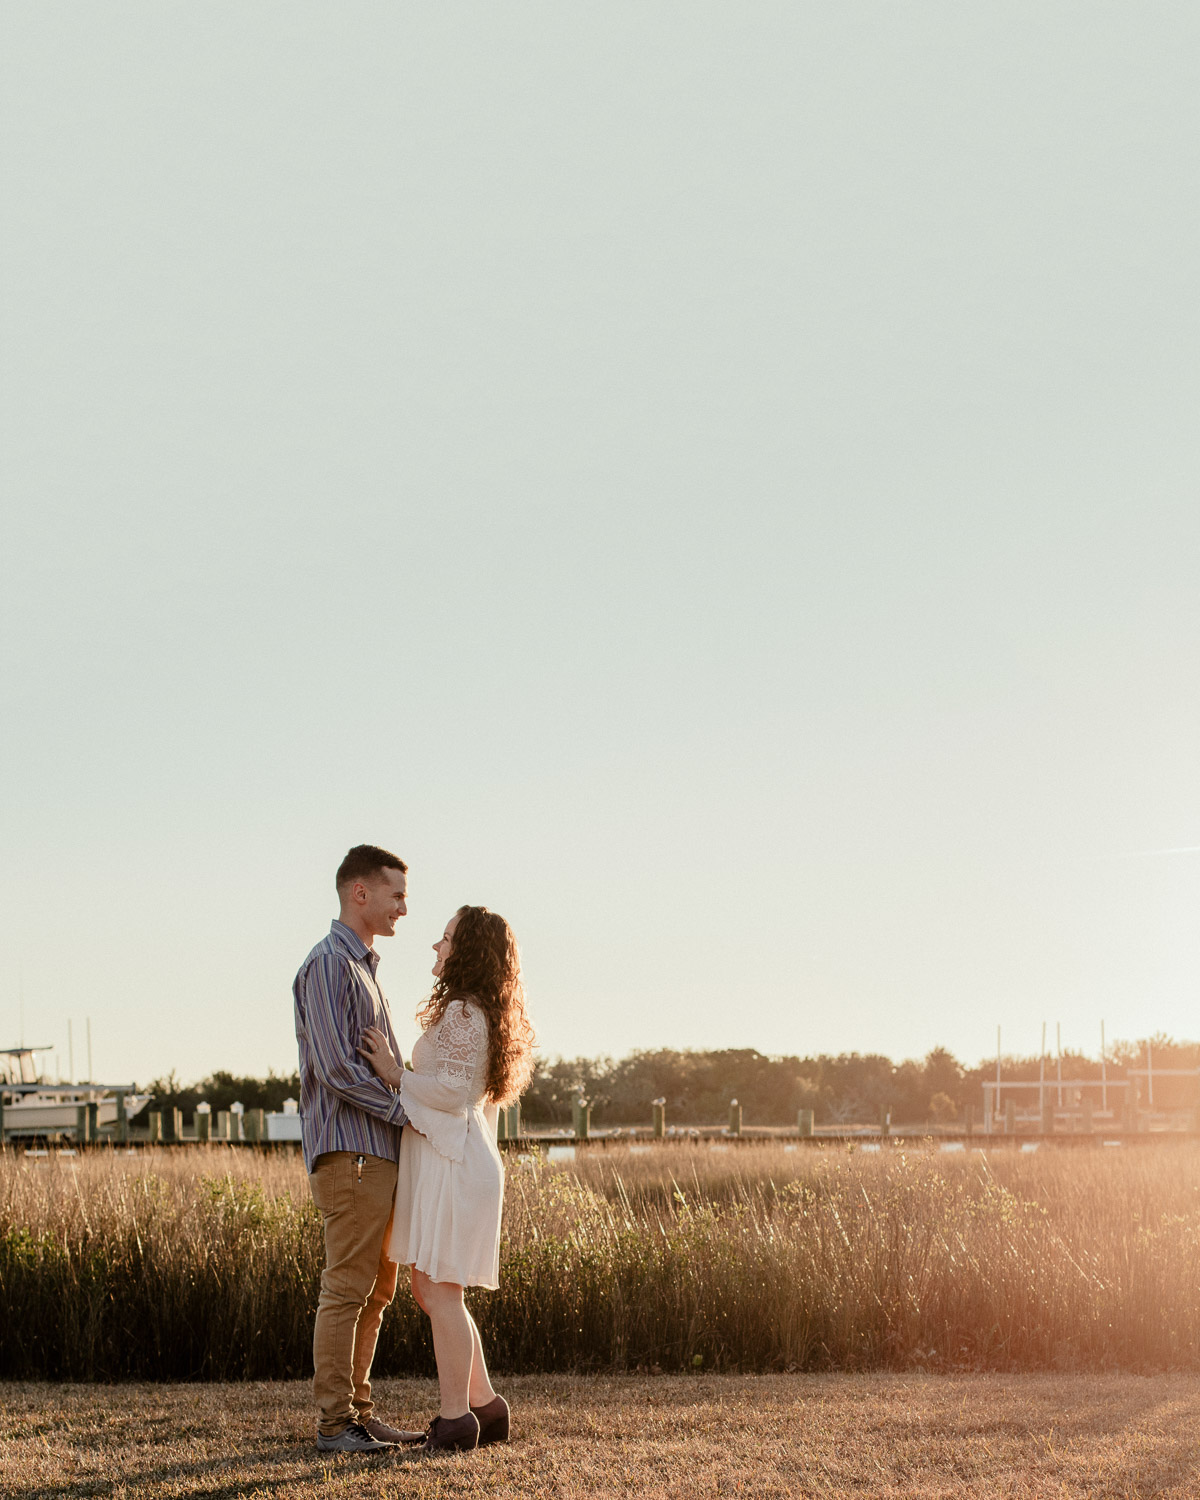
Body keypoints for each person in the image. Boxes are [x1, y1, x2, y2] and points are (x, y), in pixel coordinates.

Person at [360, 904, 535, 1455]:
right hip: (455, 1160)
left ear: (470, 951)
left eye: (446, 938)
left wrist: (394, 1073)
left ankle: (457, 1420)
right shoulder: (475, 1011)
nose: (436, 947)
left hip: (455, 1165)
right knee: (434, 1288)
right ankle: (486, 1407)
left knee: (439, 1290)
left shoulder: (463, 1012)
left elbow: (453, 1092)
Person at [293, 844, 420, 1454]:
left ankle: (358, 1414)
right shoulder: (329, 966)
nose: (404, 906)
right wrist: (406, 1111)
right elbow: (338, 1068)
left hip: (378, 1154)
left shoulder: (365, 969)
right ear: (359, 893)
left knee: (377, 1290)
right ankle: (334, 1424)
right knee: (347, 1287)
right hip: (353, 1155)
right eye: (396, 893)